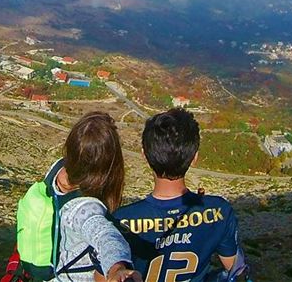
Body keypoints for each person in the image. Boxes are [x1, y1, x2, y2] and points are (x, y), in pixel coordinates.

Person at [114, 109, 249, 282]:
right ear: (194, 158)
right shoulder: (219, 211)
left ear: (145, 155)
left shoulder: (122, 220)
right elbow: (236, 269)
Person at [49, 111, 142, 282]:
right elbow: (105, 236)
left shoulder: (57, 171)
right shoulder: (85, 209)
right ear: (109, 168)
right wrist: (117, 269)